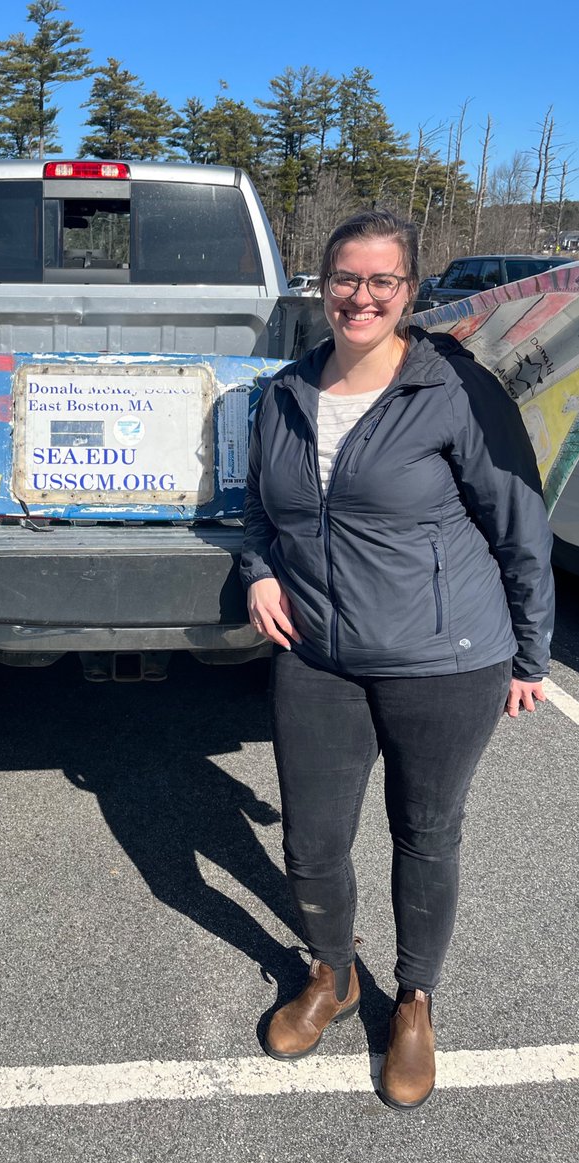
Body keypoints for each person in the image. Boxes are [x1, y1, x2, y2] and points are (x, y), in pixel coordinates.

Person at [240, 210, 553, 1110]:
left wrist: (530, 655)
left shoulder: (453, 390)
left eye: (383, 281)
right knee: (312, 842)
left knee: (424, 834)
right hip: (318, 654)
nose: (361, 296)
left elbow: (518, 527)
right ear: (322, 284)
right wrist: (260, 573)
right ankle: (331, 975)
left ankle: (413, 1001)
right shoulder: (287, 391)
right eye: (346, 278)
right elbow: (260, 509)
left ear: (410, 292)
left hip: (443, 659)